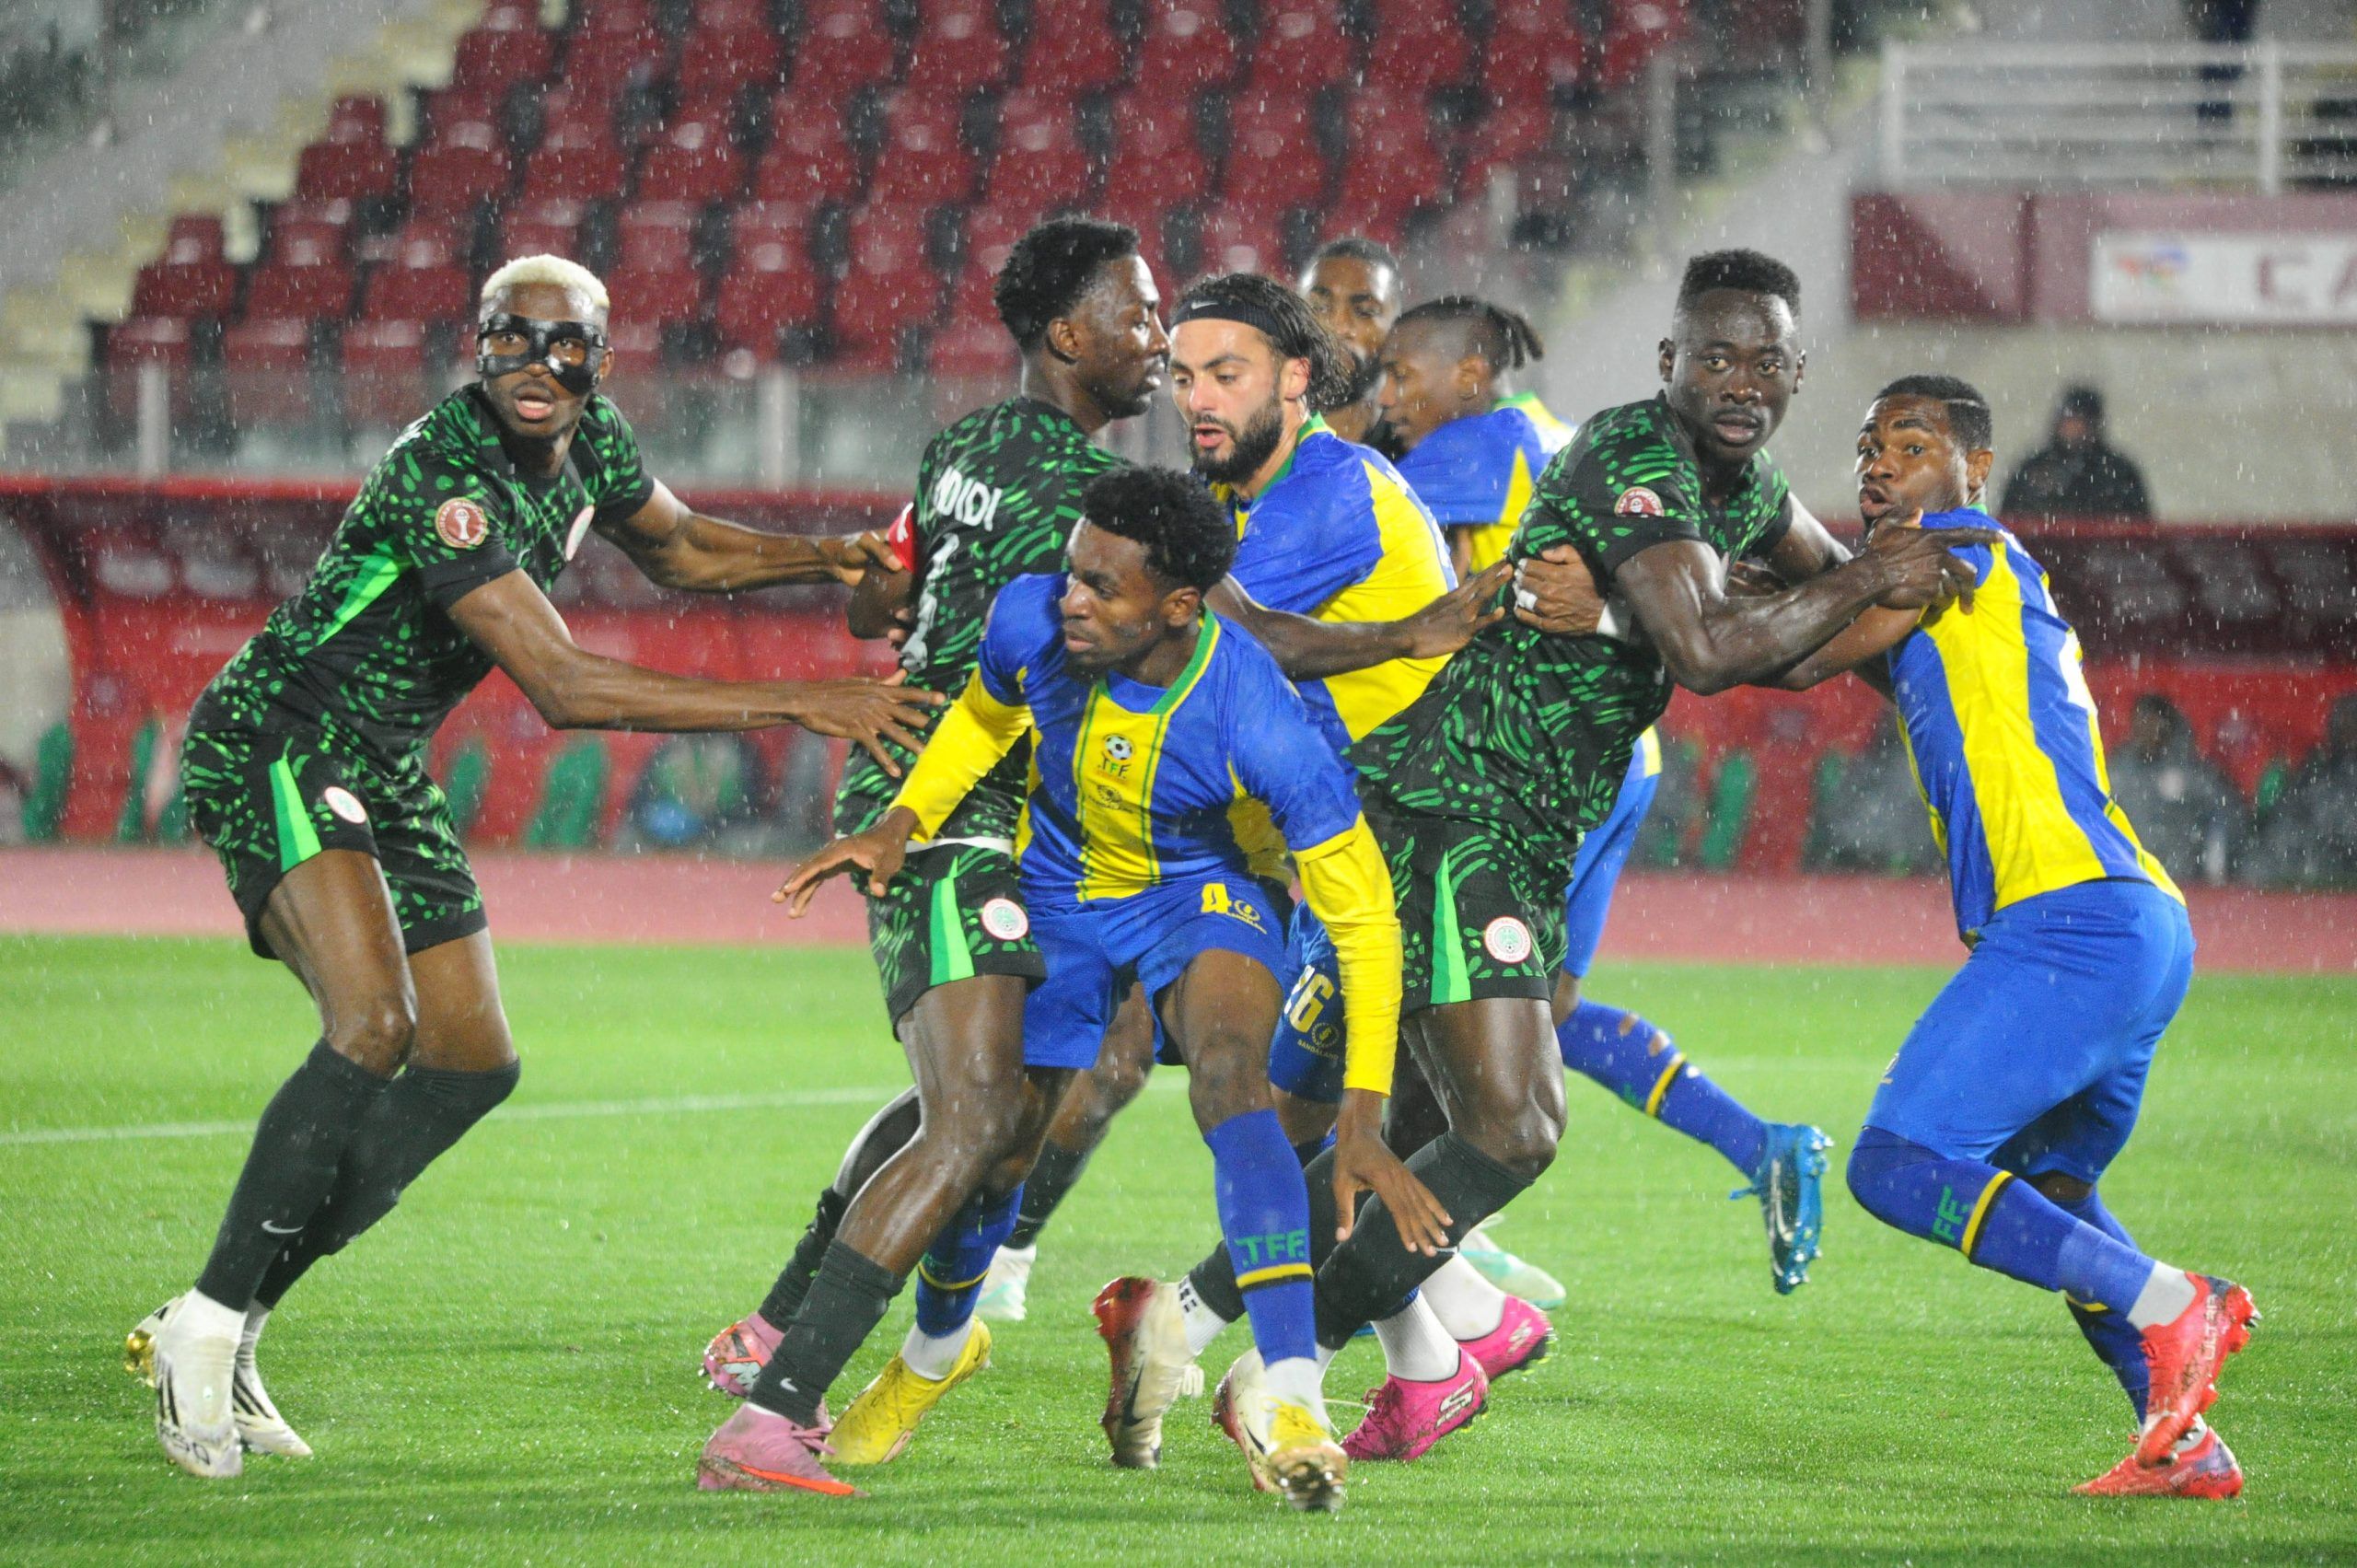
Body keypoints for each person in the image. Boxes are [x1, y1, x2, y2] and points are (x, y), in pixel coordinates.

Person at [130, 255, 937, 1481]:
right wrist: (797, 697)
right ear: (481, 344)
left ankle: (237, 1307)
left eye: (568, 344)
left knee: (469, 1062)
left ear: (600, 355)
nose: (541, 366)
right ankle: (201, 1319)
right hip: (285, 734)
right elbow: (561, 684)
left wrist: (823, 557)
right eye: (515, 339)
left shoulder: (592, 437)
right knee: (371, 1024)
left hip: (382, 758)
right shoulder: (446, 475)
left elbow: (681, 552)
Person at [695, 229, 1503, 1456]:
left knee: (1193, 1095)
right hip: (1041, 847)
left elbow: (893, 594)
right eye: (1160, 341)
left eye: (1208, 363)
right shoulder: (1093, 540)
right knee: (992, 1118)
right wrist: (907, 811)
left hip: (1214, 859)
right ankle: (897, 1351)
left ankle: (1301, 1372)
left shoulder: (990, 454)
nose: (1174, 369)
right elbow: (1061, 674)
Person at [1771, 373, 2255, 1497]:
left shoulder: (1950, 549)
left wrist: (1686, 566)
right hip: (2135, 920)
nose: (1878, 463)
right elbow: (1812, 588)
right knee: (2049, 1189)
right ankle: (2178, 1436)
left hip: (2071, 921)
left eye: (1911, 442)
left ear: (1975, 468)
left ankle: (2175, 1301)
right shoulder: (1941, 582)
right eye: (1867, 447)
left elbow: (1786, 647)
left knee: (1894, 1162)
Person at [2106, 695, 2247, 885]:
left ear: (2165, 725)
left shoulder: (2191, 770)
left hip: (2183, 882)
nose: (2144, 730)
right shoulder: (2120, 768)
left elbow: (2225, 812)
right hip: (2131, 878)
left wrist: (2214, 866)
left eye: (2151, 721)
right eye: (2140, 722)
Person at [1297, 237, 1405, 452]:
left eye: (1365, 311)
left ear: (1396, 329)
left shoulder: (1414, 452)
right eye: (1318, 307)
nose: (1338, 327)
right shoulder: (1252, 445)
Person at [2240, 693, 2357, 889]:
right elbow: (2282, 827)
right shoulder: (2313, 773)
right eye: (2345, 726)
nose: (2350, 735)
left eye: (2353, 726)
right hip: (2315, 884)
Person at [1999, 386, 2152, 521]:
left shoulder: (2118, 473)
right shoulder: (2032, 470)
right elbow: (2009, 522)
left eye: (2079, 419)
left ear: (2094, 425)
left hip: (2102, 552)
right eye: (2068, 418)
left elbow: (2139, 527)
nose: (2072, 426)